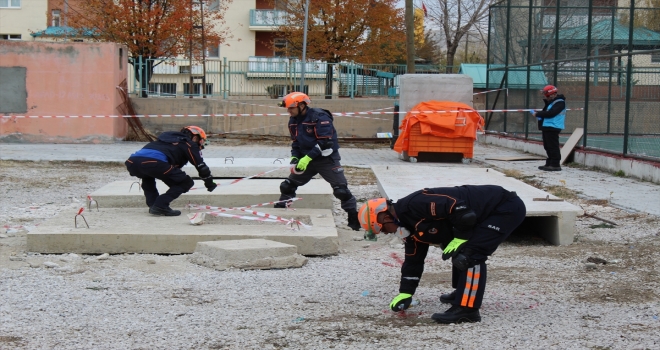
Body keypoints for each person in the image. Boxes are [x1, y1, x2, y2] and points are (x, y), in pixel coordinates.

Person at [357, 185, 526, 324]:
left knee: (470, 255)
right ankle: (461, 292)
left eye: (381, 229)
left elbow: (463, 212)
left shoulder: (415, 204)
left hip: (503, 207)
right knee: (453, 246)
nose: (385, 233)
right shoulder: (407, 227)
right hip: (479, 214)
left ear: (384, 218)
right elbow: (413, 261)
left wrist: (460, 238)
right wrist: (406, 293)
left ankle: (468, 310)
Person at [275, 92, 361, 231]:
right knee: (287, 186)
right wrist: (295, 158)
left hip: (326, 159)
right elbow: (296, 143)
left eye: (291, 108)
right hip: (306, 160)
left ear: (302, 105)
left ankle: (353, 217)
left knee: (341, 191)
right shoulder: (293, 120)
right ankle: (279, 212)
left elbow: (325, 142)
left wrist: (307, 158)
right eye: (288, 108)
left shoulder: (319, 117)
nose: (289, 111)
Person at [125, 126, 217, 216]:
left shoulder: (162, 140)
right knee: (186, 182)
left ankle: (153, 205)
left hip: (132, 162)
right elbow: (201, 166)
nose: (200, 144)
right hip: (155, 163)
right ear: (195, 137)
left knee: (148, 177)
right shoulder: (188, 143)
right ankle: (160, 205)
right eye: (201, 141)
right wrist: (209, 183)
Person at [531, 85, 566, 171]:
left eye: (545, 93)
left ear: (550, 93)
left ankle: (555, 164)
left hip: (553, 126)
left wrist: (538, 114)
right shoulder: (551, 102)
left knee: (553, 146)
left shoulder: (559, 102)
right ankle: (549, 163)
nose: (544, 95)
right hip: (547, 126)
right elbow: (547, 112)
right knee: (547, 146)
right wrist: (539, 113)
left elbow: (551, 113)